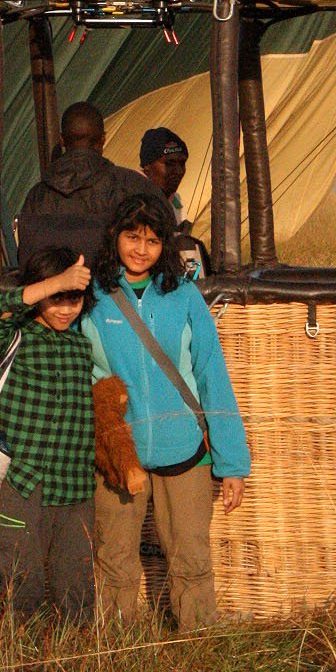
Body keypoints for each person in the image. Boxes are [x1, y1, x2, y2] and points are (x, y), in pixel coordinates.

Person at [84, 192, 250, 629]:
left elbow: (212, 375)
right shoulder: (93, 297)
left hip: (185, 450)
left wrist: (232, 463)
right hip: (121, 455)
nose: (140, 249)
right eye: (132, 237)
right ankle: (115, 654)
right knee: (115, 559)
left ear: (166, 248)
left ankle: (197, 650)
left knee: (191, 559)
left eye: (153, 241)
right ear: (115, 237)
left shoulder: (184, 296)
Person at [0, 245, 98, 620]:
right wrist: (55, 282)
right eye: (55, 298)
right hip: (24, 482)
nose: (65, 308)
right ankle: (15, 660)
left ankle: (75, 662)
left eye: (73, 299)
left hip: (76, 487)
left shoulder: (82, 347)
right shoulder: (15, 339)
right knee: (19, 581)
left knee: (77, 585)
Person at [16, 101, 151, 268]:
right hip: (116, 290)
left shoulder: (37, 195)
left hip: (55, 291)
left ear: (62, 140)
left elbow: (27, 258)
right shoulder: (134, 186)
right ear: (103, 138)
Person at [138, 127, 189, 220]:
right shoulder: (128, 195)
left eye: (182, 163)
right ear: (147, 166)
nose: (179, 171)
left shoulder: (175, 200)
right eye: (169, 163)